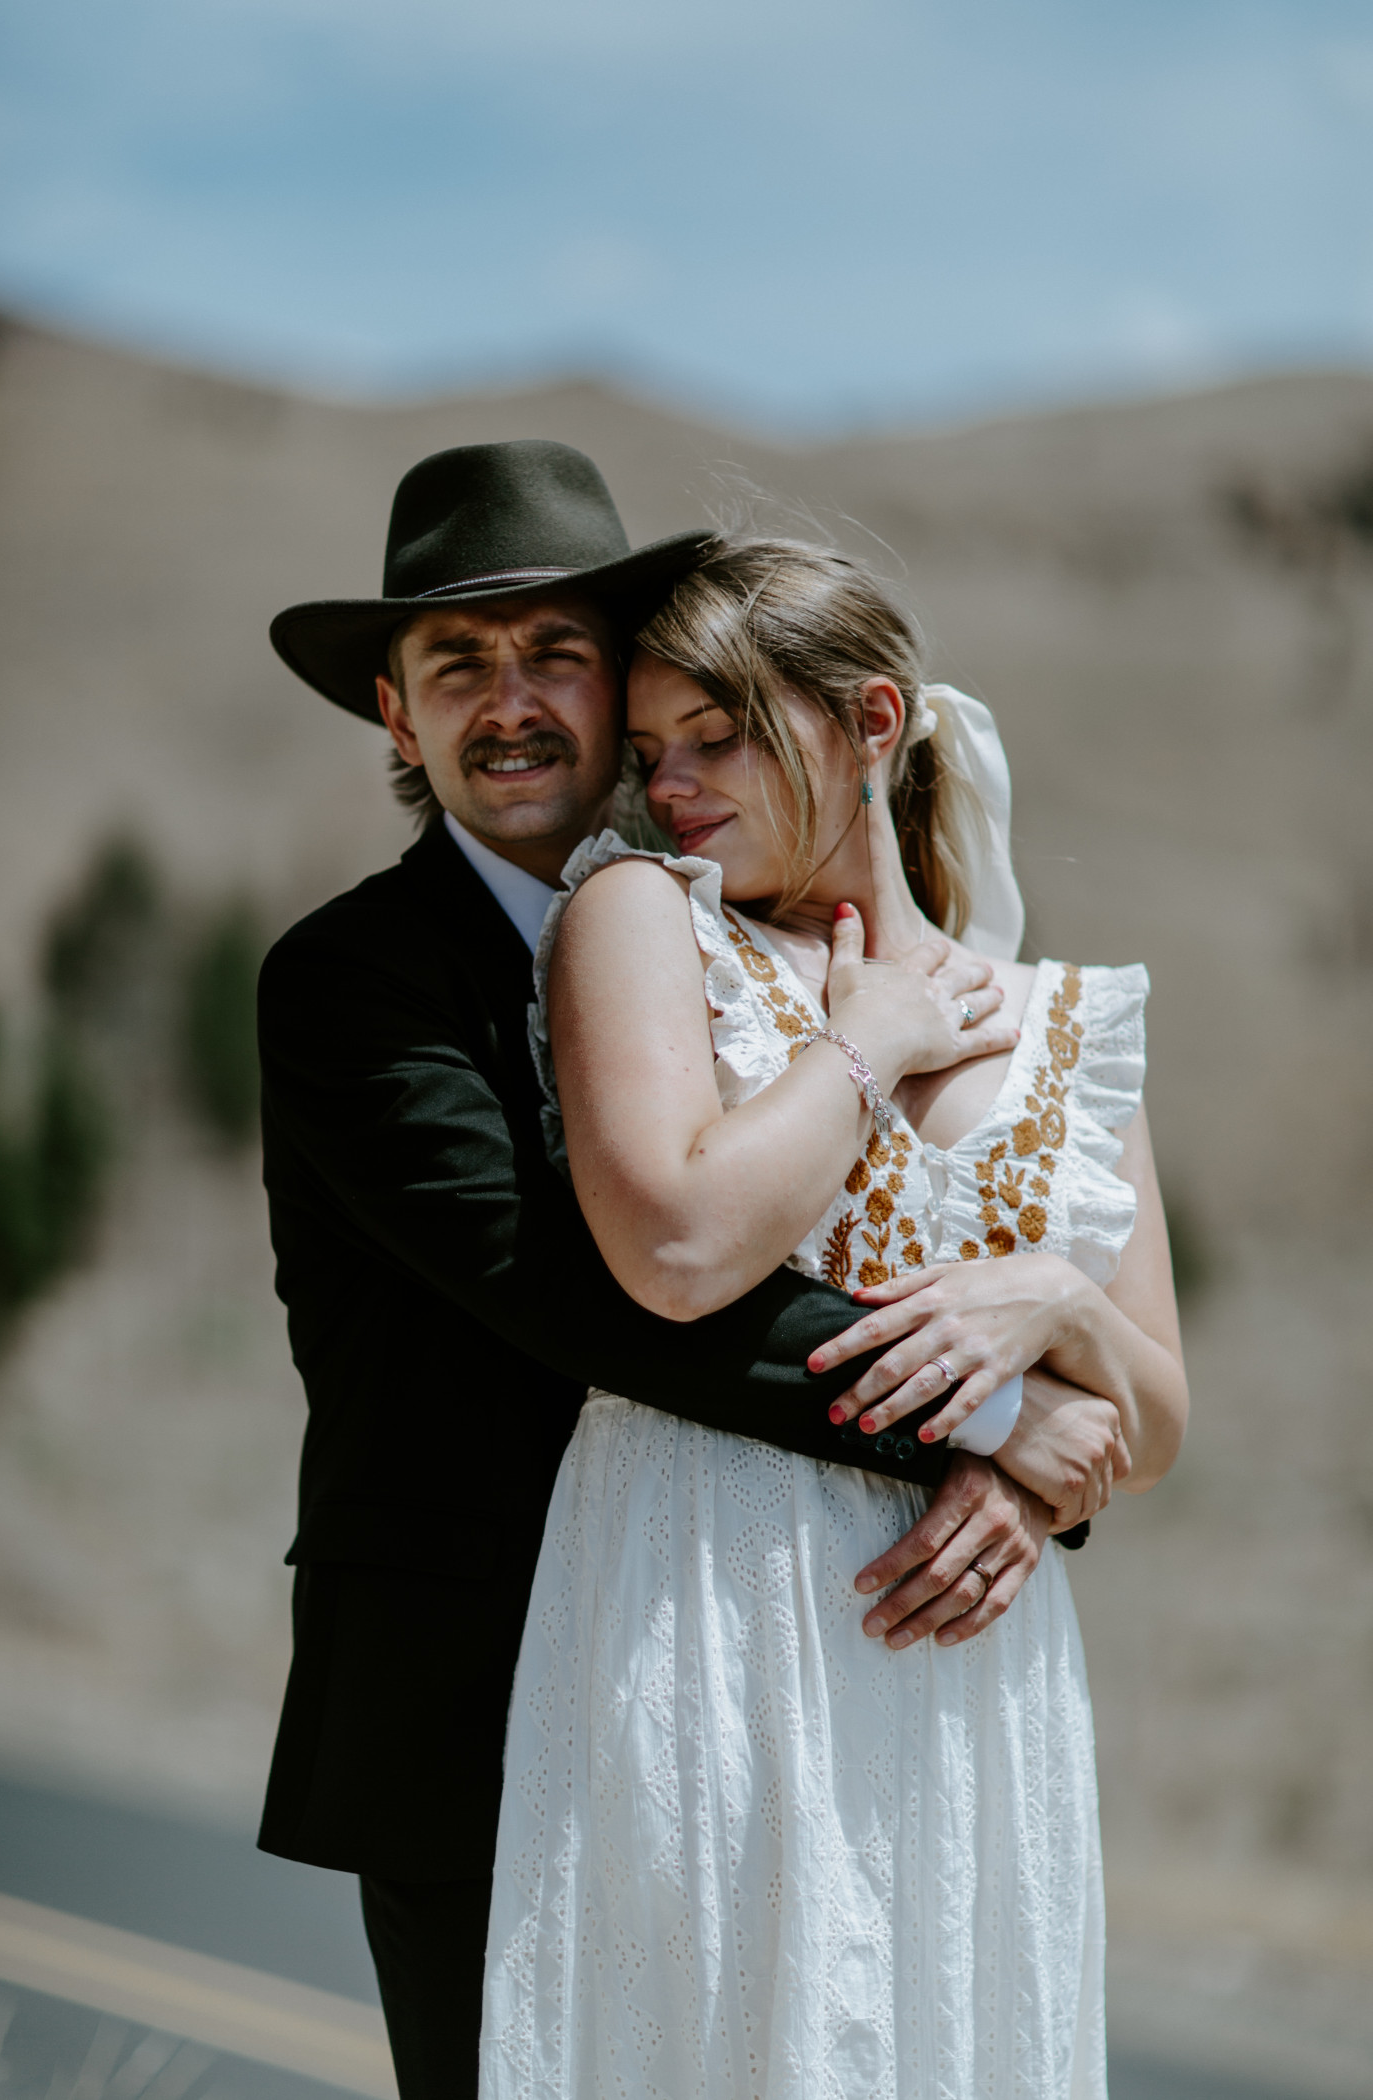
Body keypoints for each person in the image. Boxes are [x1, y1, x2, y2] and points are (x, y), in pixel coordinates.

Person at [259, 442, 1134, 2100]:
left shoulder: (765, 947)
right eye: (458, 666)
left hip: (774, 1663)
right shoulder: (349, 983)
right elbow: (581, 1291)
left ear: (621, 680)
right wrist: (981, 1416)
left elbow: (937, 1235)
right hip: (477, 1687)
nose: (509, 703)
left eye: (554, 655)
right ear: (395, 712)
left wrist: (1037, 1441)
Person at [480, 537, 1188, 2098]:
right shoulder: (647, 922)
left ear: (872, 722)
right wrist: (860, 1048)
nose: (670, 786)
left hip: (969, 1683)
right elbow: (674, 1250)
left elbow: (1155, 1420)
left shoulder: (1066, 1018)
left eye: (716, 737)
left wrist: (1050, 1300)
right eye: (652, 751)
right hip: (705, 1611)